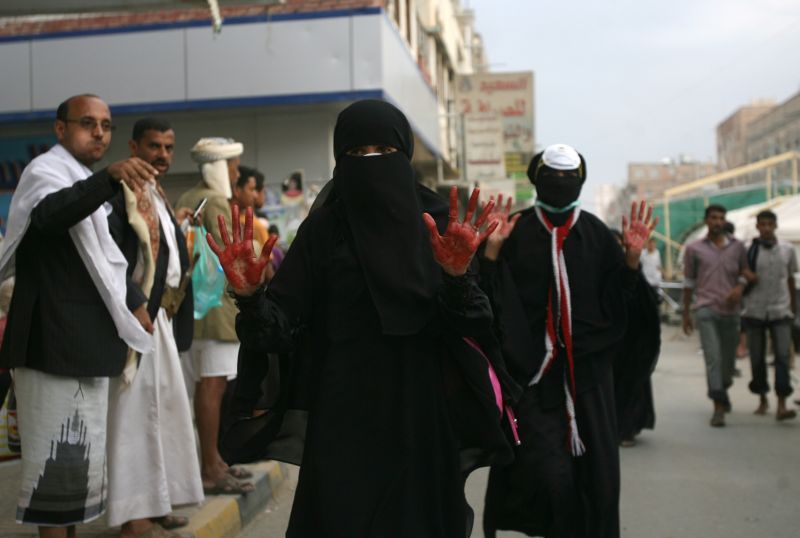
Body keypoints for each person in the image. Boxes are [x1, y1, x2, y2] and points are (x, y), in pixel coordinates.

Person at [208, 99, 517, 537]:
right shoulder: (324, 230)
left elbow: (477, 326)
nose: (370, 164)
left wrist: (456, 276)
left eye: (382, 152)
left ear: (404, 155)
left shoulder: (441, 226)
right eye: (356, 154)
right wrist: (251, 295)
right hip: (343, 414)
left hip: (421, 411)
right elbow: (278, 329)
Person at [479, 144, 659, 538]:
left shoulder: (597, 235)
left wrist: (630, 260)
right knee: (546, 478)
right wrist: (490, 252)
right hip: (531, 381)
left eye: (568, 178)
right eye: (552, 177)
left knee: (597, 481)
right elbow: (487, 302)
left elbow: (621, 306)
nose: (559, 184)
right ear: (535, 178)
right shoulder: (515, 229)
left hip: (589, 382)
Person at [0, 94, 155, 537]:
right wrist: (106, 179)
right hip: (51, 342)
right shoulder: (45, 174)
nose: (100, 133)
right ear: (60, 129)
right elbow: (49, 217)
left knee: (78, 473)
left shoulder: (83, 180)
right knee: (53, 471)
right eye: (88, 123)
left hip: (87, 343)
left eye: (106, 125)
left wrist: (136, 303)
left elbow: (105, 261)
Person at [104, 117, 204, 537]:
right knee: (134, 417)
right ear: (133, 147)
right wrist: (135, 302)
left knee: (164, 414)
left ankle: (159, 502)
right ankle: (133, 514)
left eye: (167, 148)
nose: (162, 155)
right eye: (153, 147)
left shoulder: (155, 194)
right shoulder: (116, 194)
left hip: (161, 319)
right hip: (136, 320)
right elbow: (107, 254)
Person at [175, 138, 255, 495]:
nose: (236, 173)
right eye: (233, 167)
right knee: (212, 385)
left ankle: (213, 462)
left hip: (192, 309)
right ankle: (210, 468)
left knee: (203, 386)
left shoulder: (186, 197)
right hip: (214, 311)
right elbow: (233, 250)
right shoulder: (217, 200)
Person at [682, 204, 750, 427]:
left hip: (731, 312)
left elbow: (745, 273)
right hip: (706, 309)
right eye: (713, 218)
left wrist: (739, 289)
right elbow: (689, 282)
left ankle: (723, 389)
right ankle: (718, 408)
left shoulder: (738, 247)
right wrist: (686, 313)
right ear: (706, 221)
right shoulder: (694, 249)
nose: (718, 222)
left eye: (721, 218)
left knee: (728, 365)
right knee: (713, 358)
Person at [741, 210, 797, 420]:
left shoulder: (788, 250)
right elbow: (741, 276)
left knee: (782, 356)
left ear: (775, 226)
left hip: (781, 310)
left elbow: (790, 279)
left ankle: (781, 403)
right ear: (757, 226)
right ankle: (762, 398)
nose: (765, 228)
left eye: (769, 224)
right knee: (757, 357)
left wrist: (793, 308)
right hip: (754, 310)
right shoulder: (749, 250)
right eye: (761, 224)